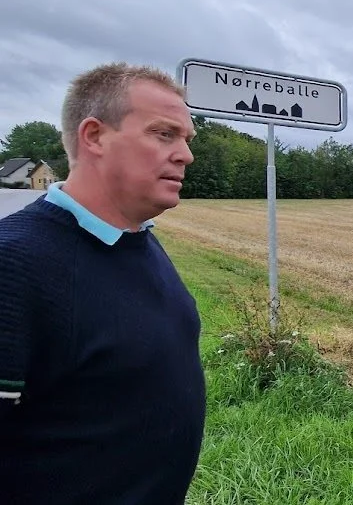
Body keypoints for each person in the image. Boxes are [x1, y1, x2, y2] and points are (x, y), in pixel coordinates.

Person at [0, 62, 206, 504]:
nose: (186, 155)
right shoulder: (13, 264)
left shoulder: (138, 240)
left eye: (186, 139)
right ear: (93, 136)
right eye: (164, 134)